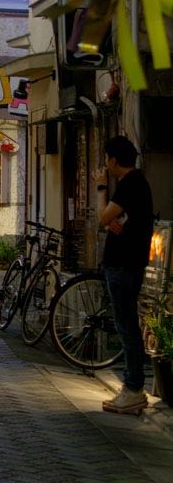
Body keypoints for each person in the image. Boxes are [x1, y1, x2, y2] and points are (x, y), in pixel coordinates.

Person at [95, 134, 154, 414]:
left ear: (114, 160)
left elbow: (102, 216)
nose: (106, 163)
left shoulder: (130, 184)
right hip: (128, 263)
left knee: (127, 326)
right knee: (127, 325)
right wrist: (111, 221)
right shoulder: (136, 183)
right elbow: (113, 219)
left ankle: (133, 389)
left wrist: (100, 188)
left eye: (107, 158)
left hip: (123, 265)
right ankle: (132, 388)